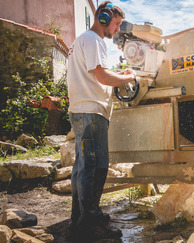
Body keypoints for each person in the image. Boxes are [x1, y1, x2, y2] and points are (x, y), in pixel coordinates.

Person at [67, 1, 136, 239]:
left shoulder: (81, 40)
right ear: (104, 18)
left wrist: (118, 75)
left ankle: (79, 218)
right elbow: (103, 76)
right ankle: (91, 224)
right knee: (95, 167)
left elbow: (97, 76)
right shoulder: (93, 40)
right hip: (91, 112)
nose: (117, 30)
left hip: (80, 110)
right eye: (116, 24)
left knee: (82, 167)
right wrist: (128, 76)